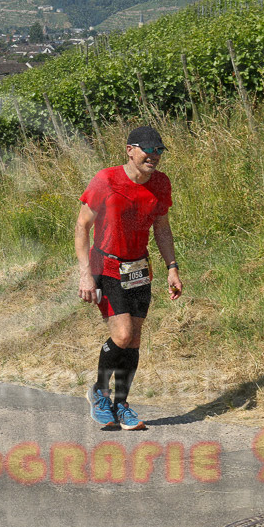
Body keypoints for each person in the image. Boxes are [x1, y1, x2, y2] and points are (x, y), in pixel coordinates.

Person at [75, 126, 183, 430]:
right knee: (121, 334)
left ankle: (121, 404)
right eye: (148, 150)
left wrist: (171, 267)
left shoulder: (160, 184)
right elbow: (82, 226)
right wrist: (85, 275)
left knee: (134, 339)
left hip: (138, 268)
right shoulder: (106, 180)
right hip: (106, 266)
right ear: (130, 150)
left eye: (159, 150)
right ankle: (99, 391)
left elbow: (162, 228)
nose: (154, 156)